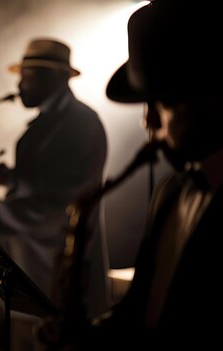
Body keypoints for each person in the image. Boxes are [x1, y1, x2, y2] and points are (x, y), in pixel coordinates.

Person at [72, 0, 223, 349]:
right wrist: (89, 334)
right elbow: (139, 312)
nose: (147, 122)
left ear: (212, 98)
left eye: (163, 104)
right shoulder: (170, 192)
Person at [0, 38, 110, 350]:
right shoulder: (47, 125)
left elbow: (55, 205)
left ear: (56, 77)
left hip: (63, 288)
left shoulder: (82, 124)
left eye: (28, 76)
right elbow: (38, 182)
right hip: (30, 280)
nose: (20, 85)